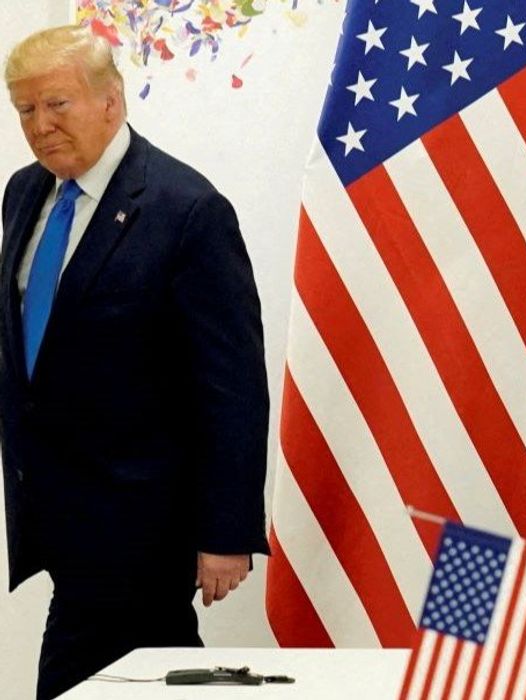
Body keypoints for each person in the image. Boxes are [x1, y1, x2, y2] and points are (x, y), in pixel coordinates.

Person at [1, 25, 269, 698]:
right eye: (26, 110)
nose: (41, 125)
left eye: (57, 104)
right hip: (59, 509)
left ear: (112, 101)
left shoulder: (187, 210)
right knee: (139, 678)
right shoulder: (24, 193)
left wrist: (226, 531)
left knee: (92, 676)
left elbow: (232, 385)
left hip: (144, 515)